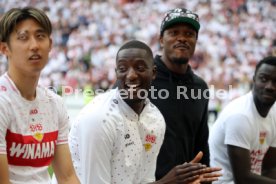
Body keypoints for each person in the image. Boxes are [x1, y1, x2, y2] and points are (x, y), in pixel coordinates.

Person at [54, 40, 220, 184]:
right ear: (116, 73)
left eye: (140, 67)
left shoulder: (154, 119)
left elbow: (144, 180)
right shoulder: (99, 119)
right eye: (123, 68)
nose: (131, 75)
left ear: (153, 73)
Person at [0, 7, 80, 184]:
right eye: (23, 37)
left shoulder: (54, 103)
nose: (34, 45)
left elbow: (67, 177)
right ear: (5, 48)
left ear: (50, 45)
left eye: (40, 36)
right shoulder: (2, 102)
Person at [149, 8, 210, 180]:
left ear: (196, 40)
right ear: (161, 39)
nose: (182, 38)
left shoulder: (200, 87)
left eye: (189, 34)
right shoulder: (141, 78)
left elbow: (201, 143)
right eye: (174, 33)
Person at [208, 56, 276, 183]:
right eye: (264, 79)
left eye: (275, 82)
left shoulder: (274, 113)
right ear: (254, 80)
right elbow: (242, 179)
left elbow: (270, 168)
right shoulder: (240, 116)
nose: (269, 86)